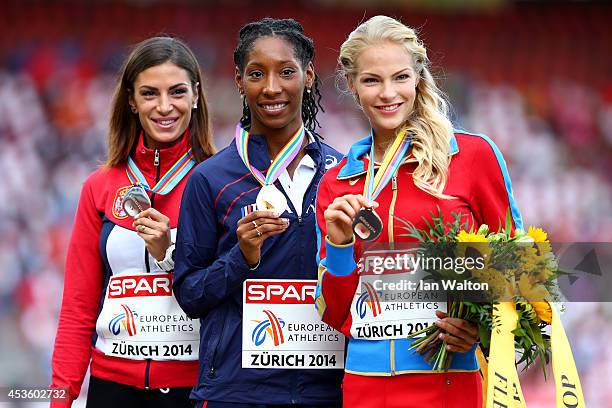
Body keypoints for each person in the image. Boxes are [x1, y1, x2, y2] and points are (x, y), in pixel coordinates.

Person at [314, 16, 523, 408]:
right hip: (365, 386)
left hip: (450, 381)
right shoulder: (337, 183)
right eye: (372, 80)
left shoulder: (472, 156)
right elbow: (334, 312)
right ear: (352, 85)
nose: (388, 93)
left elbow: (519, 271)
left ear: (418, 78)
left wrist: (479, 327)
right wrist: (339, 245)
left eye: (400, 77)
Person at [173, 18, 344, 408]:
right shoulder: (211, 179)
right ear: (238, 81)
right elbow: (188, 294)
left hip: (326, 392)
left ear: (309, 75)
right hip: (236, 394)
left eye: (286, 72)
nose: (271, 88)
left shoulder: (344, 175)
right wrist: (241, 258)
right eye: (256, 74)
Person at [50, 36, 215, 407]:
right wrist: (61, 398)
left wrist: (169, 252)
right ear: (131, 100)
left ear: (195, 95)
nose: (164, 106)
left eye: (176, 92)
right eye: (149, 93)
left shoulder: (219, 180)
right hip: (113, 389)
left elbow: (223, 290)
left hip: (195, 390)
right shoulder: (99, 187)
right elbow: (78, 307)